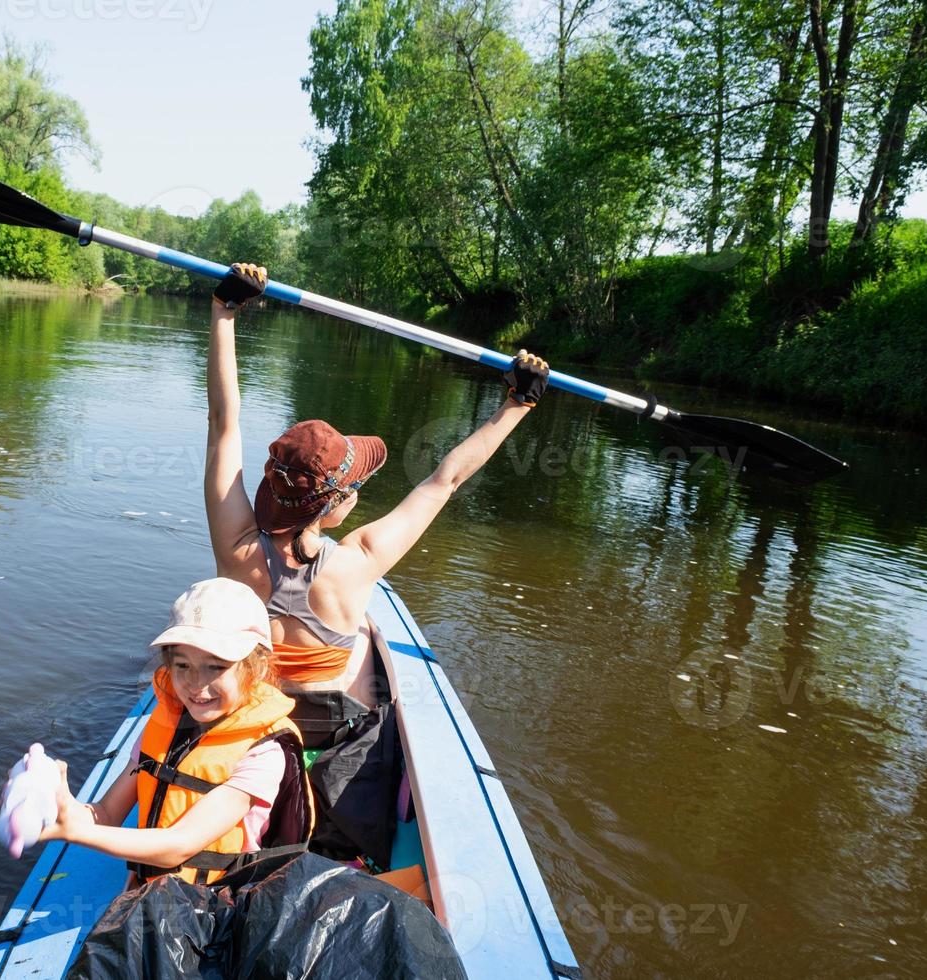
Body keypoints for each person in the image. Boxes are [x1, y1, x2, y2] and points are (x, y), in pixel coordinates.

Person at [203, 262, 548, 868]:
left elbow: (222, 425)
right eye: (356, 484)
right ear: (335, 506)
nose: (360, 491)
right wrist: (517, 404)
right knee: (364, 655)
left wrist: (224, 312)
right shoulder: (356, 563)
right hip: (341, 758)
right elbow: (446, 479)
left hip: (262, 741)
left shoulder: (236, 549)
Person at [37, 577, 312, 885]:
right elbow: (107, 813)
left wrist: (80, 833)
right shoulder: (165, 724)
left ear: (257, 668)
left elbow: (180, 845)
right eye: (182, 665)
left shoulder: (265, 752)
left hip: (213, 907)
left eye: (216, 667)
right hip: (154, 891)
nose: (196, 683)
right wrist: (66, 811)